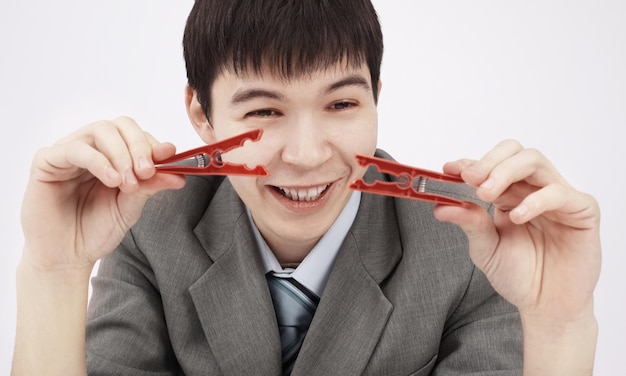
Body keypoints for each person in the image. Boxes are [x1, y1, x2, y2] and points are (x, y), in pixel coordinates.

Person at [12, 0, 601, 375]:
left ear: (377, 96)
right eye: (265, 111)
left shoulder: (477, 242)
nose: (307, 154)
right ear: (200, 113)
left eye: (342, 103)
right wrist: (52, 272)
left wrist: (560, 326)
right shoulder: (147, 223)